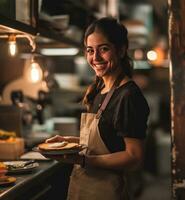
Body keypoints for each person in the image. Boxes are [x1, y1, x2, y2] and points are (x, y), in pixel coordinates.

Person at [45, 17, 150, 200]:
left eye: (104, 49)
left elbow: (134, 157)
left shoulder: (128, 96)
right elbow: (107, 139)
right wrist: (66, 143)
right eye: (90, 50)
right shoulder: (100, 89)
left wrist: (84, 160)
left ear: (122, 50)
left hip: (107, 192)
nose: (95, 58)